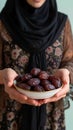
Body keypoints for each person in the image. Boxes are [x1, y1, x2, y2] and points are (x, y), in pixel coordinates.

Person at [0, 0, 73, 130]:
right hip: (9, 116)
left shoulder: (62, 23)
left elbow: (70, 60)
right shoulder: (2, 23)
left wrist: (67, 72)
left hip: (52, 118)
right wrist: (3, 76)